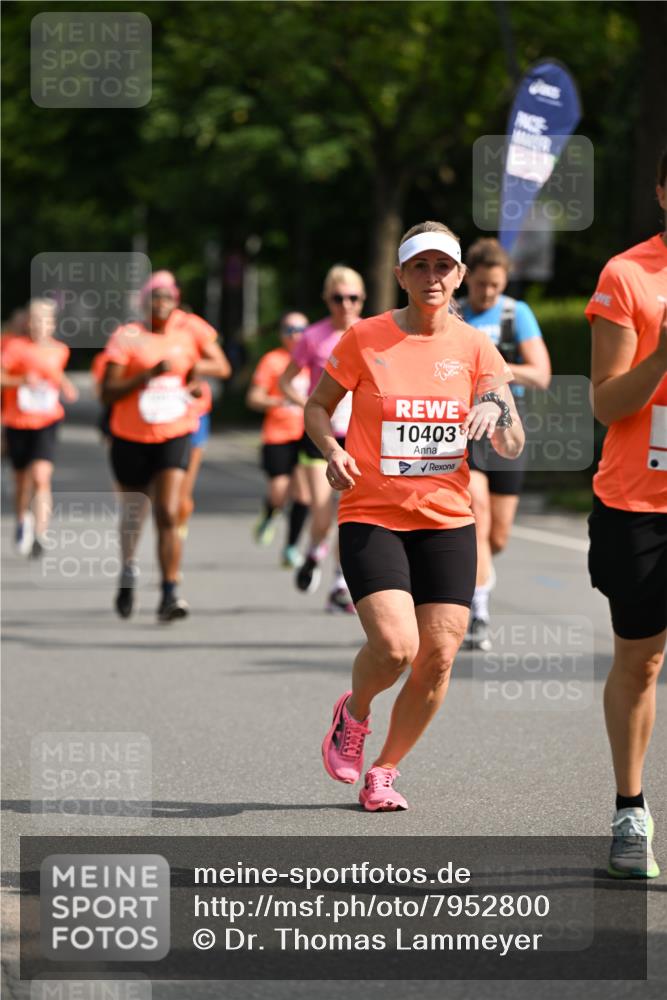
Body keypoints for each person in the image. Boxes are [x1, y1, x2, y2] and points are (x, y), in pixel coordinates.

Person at [309, 221, 524, 810]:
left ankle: (384, 771)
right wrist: (331, 449)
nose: (433, 277)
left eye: (443, 267)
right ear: (401, 275)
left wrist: (495, 410)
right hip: (372, 513)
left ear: (458, 277)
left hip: (446, 520)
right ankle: (353, 714)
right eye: (420, 266)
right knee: (397, 646)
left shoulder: (476, 347)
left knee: (440, 656)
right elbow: (318, 406)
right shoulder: (365, 338)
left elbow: (512, 444)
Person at [585, 149, 667, 879]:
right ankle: (629, 809)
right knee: (639, 664)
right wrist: (661, 356)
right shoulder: (627, 274)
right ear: (663, 191)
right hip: (638, 501)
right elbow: (605, 403)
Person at [102, 271, 230, 622]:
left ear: (176, 301)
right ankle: (128, 571)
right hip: (130, 436)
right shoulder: (127, 337)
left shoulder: (188, 333)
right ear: (145, 303)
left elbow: (218, 366)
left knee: (170, 511)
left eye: (168, 298)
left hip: (175, 431)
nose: (162, 304)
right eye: (155, 298)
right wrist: (147, 374)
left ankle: (170, 592)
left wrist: (194, 379)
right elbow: (107, 392)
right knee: (134, 513)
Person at [458, 238, 551, 650]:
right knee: (476, 513)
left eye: (496, 285)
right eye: (481, 285)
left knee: (497, 536)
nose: (488, 293)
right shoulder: (453, 313)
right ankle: (478, 609)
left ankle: (480, 577)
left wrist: (494, 364)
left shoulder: (517, 314)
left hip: (509, 427)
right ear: (467, 279)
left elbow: (540, 375)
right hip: (467, 430)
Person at [279, 265, 365, 613]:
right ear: (327, 300)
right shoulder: (313, 337)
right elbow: (286, 380)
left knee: (346, 511)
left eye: (352, 298)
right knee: (321, 512)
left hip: (358, 436)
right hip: (319, 435)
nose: (345, 305)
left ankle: (339, 584)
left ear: (362, 299)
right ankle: (315, 550)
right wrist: (308, 404)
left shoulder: (372, 334)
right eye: (337, 298)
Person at [1, 298, 78, 557]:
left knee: (41, 477)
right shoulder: (14, 347)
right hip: (18, 421)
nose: (38, 326)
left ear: (52, 324)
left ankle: (41, 533)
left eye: (44, 321)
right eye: (34, 321)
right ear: (27, 322)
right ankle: (23, 519)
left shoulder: (60, 350)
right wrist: (21, 379)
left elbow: (54, 372)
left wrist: (66, 386)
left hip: (47, 420)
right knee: (22, 481)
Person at [246, 311, 311, 567]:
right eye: (289, 329)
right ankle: (270, 512)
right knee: (279, 491)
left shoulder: (315, 359)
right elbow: (253, 397)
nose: (295, 335)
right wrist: (276, 401)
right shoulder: (272, 361)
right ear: (281, 333)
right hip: (278, 435)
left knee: (304, 494)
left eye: (300, 329)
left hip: (307, 435)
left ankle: (292, 546)